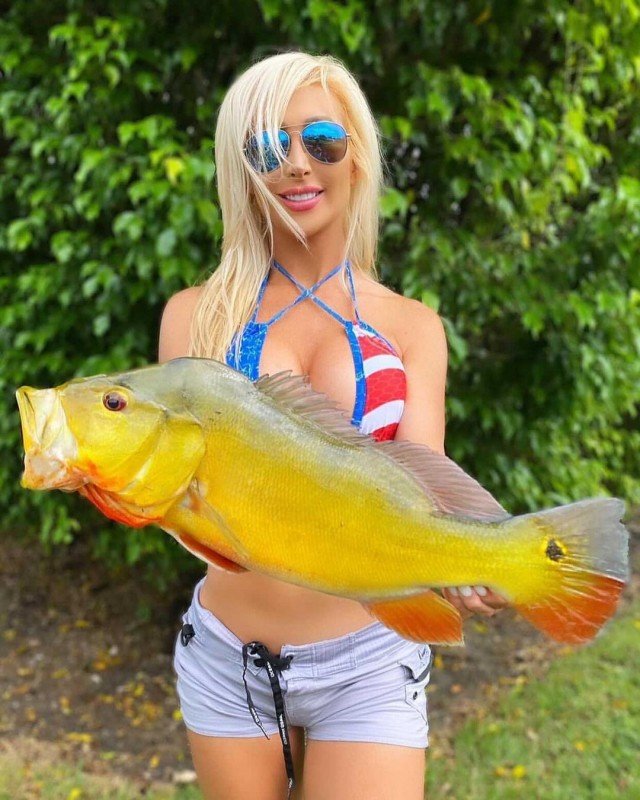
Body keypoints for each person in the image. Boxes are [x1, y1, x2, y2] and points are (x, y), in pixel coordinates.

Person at [159, 50, 507, 800]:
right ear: (242, 170)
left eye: (321, 140)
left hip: (370, 660)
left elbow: (422, 487)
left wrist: (468, 559)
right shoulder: (196, 318)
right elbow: (178, 496)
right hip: (228, 658)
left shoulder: (412, 328)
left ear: (358, 157)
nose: (296, 164)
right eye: (267, 146)